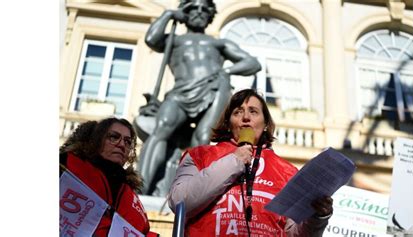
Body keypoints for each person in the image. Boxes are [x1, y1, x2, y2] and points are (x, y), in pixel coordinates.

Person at [168, 89, 333, 236]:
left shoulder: (287, 171)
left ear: (266, 124)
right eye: (238, 112)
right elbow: (180, 202)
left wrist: (317, 217)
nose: (246, 117)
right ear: (228, 123)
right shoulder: (199, 155)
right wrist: (234, 161)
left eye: (253, 112)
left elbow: (293, 233)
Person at [139, 0, 262, 195]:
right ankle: (140, 188)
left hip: (213, 89)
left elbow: (252, 63)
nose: (199, 12)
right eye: (193, 8)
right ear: (185, 12)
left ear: (210, 15)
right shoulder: (175, 40)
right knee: (160, 129)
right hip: (180, 93)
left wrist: (227, 71)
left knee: (202, 136)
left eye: (204, 9)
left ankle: (194, 191)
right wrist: (168, 15)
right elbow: (151, 39)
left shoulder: (218, 43)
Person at [60, 117, 158, 237]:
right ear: (97, 140)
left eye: (127, 142)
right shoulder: (66, 165)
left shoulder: (131, 196)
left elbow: (142, 232)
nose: (122, 144)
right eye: (113, 137)